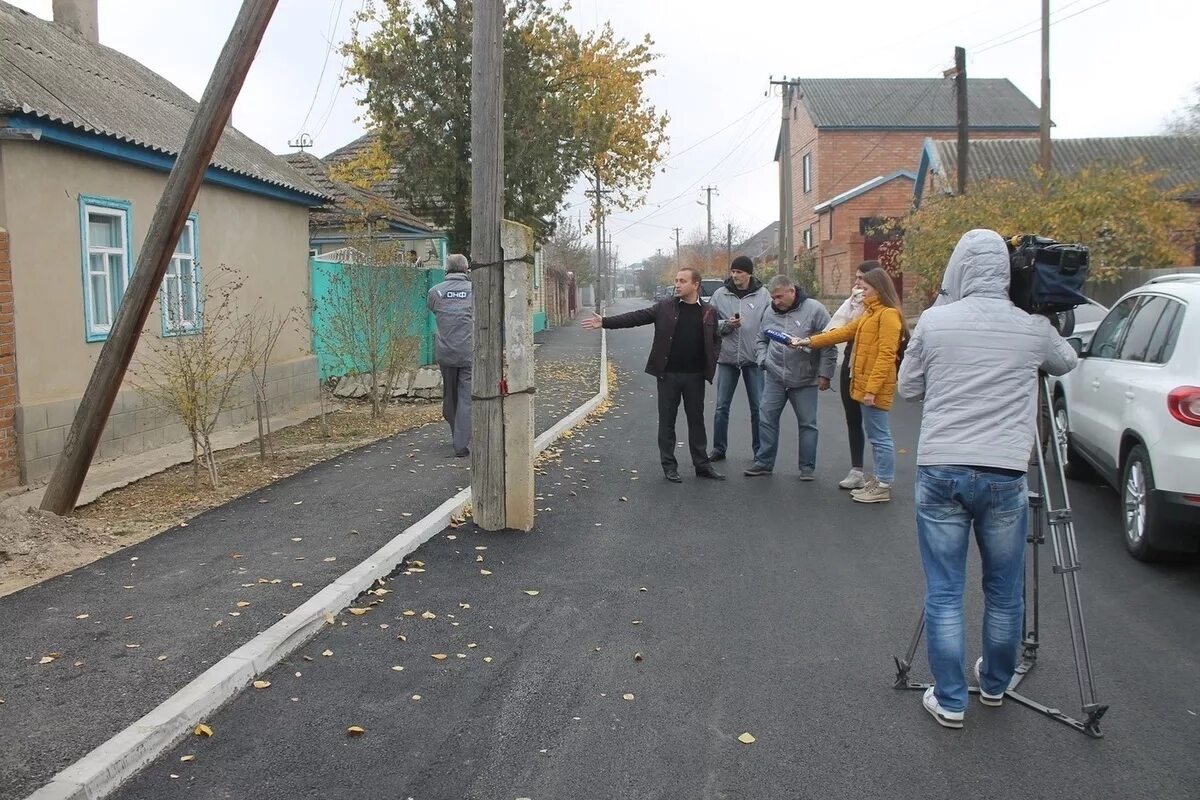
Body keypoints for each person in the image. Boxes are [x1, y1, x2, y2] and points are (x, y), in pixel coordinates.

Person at [897, 229, 1077, 729]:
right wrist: (1040, 317)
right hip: (1004, 472)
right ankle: (995, 684)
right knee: (1003, 590)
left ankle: (951, 699)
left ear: (958, 267)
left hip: (942, 469)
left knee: (946, 590)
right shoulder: (1032, 327)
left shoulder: (934, 321)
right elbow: (1067, 362)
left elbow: (908, 388)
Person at [582, 267, 724, 483]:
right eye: (676, 280)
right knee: (667, 421)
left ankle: (702, 465)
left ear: (696, 284)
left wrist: (711, 360)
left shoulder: (708, 311)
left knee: (697, 421)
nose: (677, 284)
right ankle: (669, 466)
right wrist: (605, 322)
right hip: (668, 375)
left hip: (695, 377)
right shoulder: (665, 307)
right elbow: (636, 317)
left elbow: (716, 339)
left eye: (682, 281)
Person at [799, 265, 906, 504]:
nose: (860, 290)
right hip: (863, 384)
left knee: (880, 436)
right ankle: (878, 480)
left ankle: (883, 483)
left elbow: (887, 355)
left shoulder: (888, 315)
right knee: (875, 433)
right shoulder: (869, 313)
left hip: (873, 387)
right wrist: (807, 341)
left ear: (878, 289)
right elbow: (842, 332)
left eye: (865, 287)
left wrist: (872, 389)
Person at [744, 274, 836, 480]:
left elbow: (828, 344)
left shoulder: (815, 310)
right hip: (775, 375)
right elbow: (761, 339)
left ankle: (806, 468)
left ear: (792, 291)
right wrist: (763, 359)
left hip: (805, 378)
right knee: (766, 419)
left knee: (807, 424)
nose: (776, 302)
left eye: (779, 297)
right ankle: (764, 462)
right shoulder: (769, 311)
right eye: (773, 298)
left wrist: (825, 374)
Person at [823, 261, 884, 491]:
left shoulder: (884, 308)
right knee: (852, 418)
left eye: (861, 279)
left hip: (871, 365)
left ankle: (881, 476)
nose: (856, 283)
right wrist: (811, 341)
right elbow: (837, 328)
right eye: (856, 277)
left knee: (876, 424)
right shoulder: (853, 303)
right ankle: (856, 470)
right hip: (851, 360)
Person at [707, 255, 769, 462]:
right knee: (722, 406)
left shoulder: (763, 295)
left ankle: (759, 451)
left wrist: (764, 351)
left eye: (739, 272)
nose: (735, 276)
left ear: (749, 273)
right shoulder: (720, 294)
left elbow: (769, 323)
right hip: (727, 357)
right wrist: (727, 325)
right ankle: (718, 448)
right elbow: (709, 324)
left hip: (753, 358)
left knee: (757, 407)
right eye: (733, 272)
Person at [427, 253, 473, 457]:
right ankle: (461, 443)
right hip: (467, 352)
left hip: (444, 351)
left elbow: (433, 309)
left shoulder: (435, 291)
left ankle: (457, 432)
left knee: (450, 395)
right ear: (466, 269)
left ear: (446, 269)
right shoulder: (474, 291)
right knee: (466, 397)